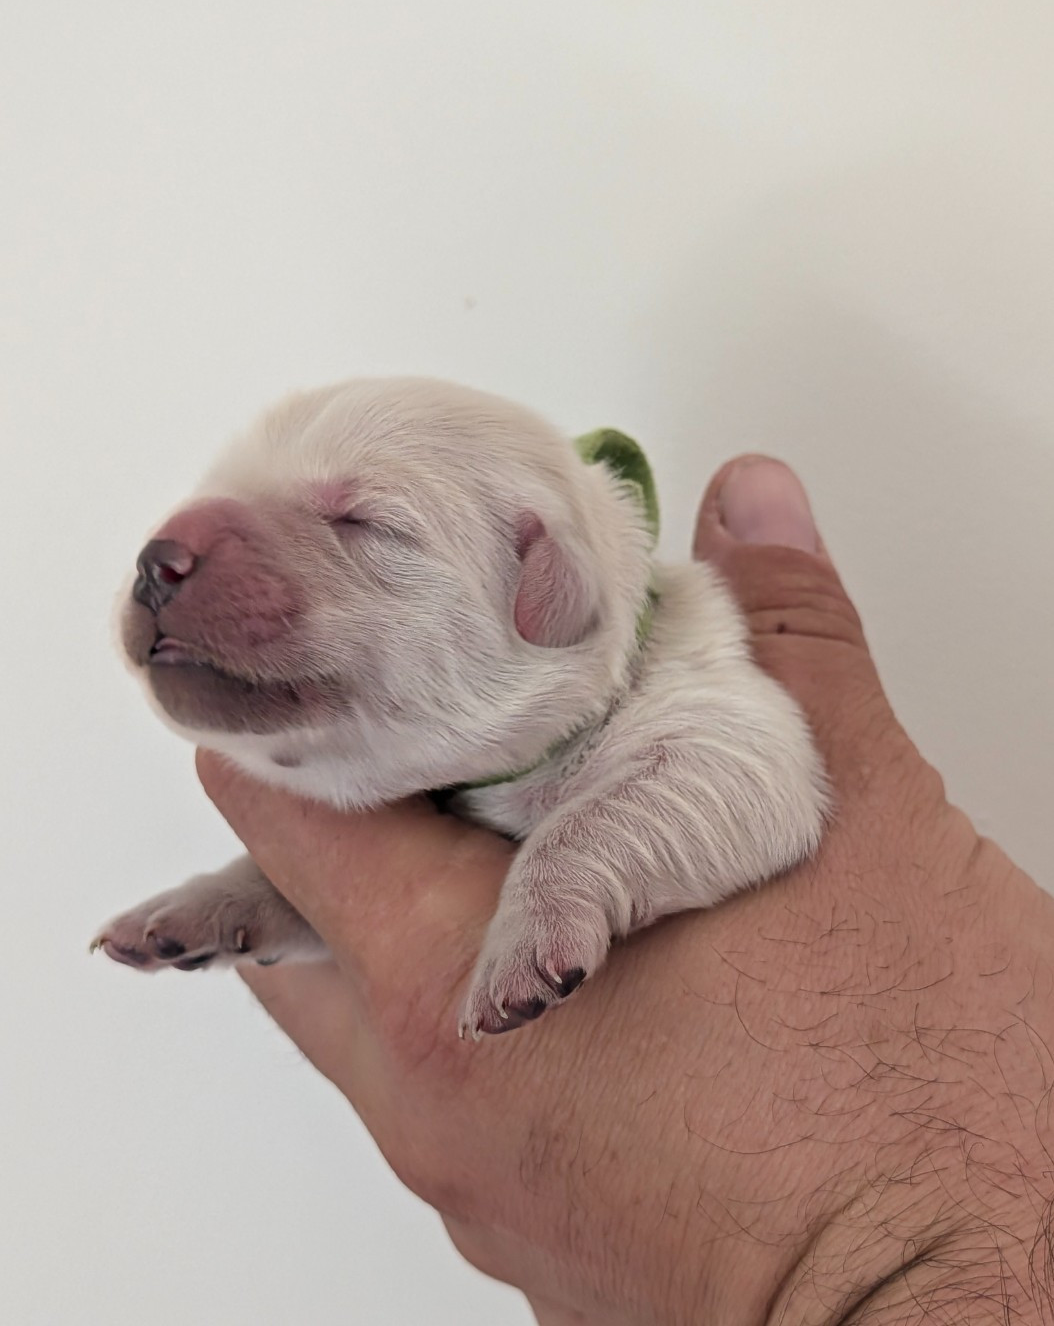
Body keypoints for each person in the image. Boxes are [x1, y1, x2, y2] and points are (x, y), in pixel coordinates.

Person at [197, 456, 1054, 1325]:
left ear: (547, 579)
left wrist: (879, 1257)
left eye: (363, 526)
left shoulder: (666, 673)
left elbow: (745, 785)